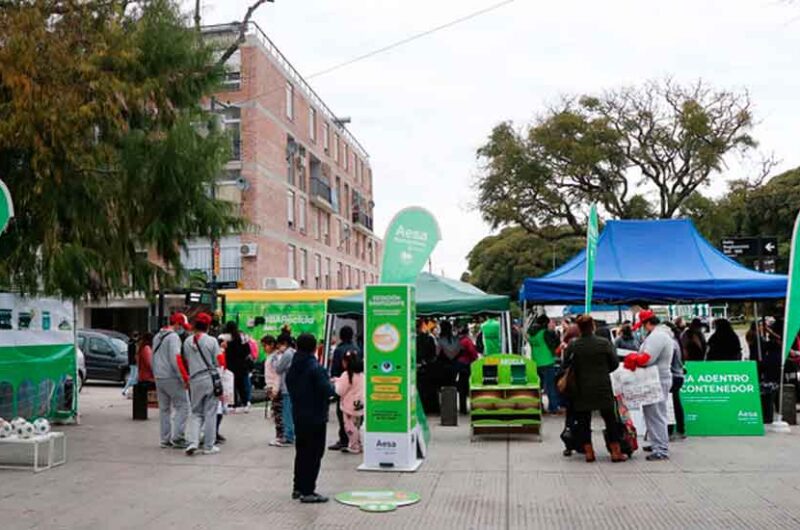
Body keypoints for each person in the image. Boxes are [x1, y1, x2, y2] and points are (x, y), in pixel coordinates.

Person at [562, 315, 627, 463]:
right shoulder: (604, 343)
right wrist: (603, 371)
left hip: (581, 387)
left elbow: (565, 364)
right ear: (593, 326)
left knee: (584, 421)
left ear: (579, 328)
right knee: (610, 420)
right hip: (602, 386)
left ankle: (589, 452)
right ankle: (615, 452)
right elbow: (615, 363)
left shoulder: (574, 345)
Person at [286, 333, 335, 503]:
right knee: (314, 454)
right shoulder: (315, 367)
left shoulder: (293, 366)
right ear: (315, 348)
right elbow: (328, 391)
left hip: (299, 414)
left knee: (301, 452)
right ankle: (308, 490)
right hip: (316, 416)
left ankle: (298, 487)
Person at [635, 310, 674, 461]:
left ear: (647, 323)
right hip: (657, 377)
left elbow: (647, 359)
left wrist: (635, 358)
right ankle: (656, 442)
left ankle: (661, 448)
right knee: (653, 413)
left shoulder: (657, 336)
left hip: (656, 378)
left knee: (655, 414)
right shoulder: (661, 334)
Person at [181, 313, 221, 456]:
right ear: (208, 326)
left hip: (194, 380)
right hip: (209, 379)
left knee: (196, 412)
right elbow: (218, 361)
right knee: (210, 413)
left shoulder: (187, 341)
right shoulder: (212, 341)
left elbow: (186, 360)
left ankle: (193, 442)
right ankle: (209, 446)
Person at [152, 313, 191, 449]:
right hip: (172, 377)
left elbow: (153, 357)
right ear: (177, 324)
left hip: (159, 377)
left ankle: (165, 439)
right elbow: (176, 359)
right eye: (182, 326)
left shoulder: (157, 336)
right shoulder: (173, 337)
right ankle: (178, 437)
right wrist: (184, 378)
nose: (183, 329)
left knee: (164, 409)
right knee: (183, 406)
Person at [328, 326, 361, 451]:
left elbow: (335, 369)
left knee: (343, 416)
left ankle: (344, 440)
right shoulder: (357, 348)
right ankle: (356, 440)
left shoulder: (339, 350)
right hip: (357, 388)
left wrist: (334, 383)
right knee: (356, 418)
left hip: (344, 387)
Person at [333, 351, 365, 454]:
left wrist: (336, 383)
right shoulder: (361, 374)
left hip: (349, 406)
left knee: (350, 427)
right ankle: (359, 444)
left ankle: (354, 446)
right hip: (360, 404)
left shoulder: (346, 375)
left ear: (346, 362)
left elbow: (339, 391)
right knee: (358, 426)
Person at [529, 315, 561, 414]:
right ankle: (553, 408)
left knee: (538, 387)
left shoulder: (531, 334)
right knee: (550, 386)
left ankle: (540, 407)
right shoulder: (545, 333)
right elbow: (555, 343)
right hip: (547, 361)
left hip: (535, 362)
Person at [262, 335, 286, 445]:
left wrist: (275, 389)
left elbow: (277, 374)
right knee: (276, 413)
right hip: (271, 387)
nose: (264, 348)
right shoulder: (271, 356)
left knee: (278, 413)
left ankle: (280, 436)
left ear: (272, 344)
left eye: (265, 345)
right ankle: (281, 435)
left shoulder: (275, 357)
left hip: (275, 388)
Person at [223, 321, 253, 412]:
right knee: (242, 385)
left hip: (230, 366)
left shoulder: (226, 338)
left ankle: (233, 405)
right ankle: (245, 403)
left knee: (232, 386)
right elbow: (248, 350)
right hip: (242, 365)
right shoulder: (242, 336)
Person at [664, 322, 686, 440]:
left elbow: (667, 361)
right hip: (677, 375)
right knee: (675, 403)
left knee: (671, 405)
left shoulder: (671, 343)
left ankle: (671, 430)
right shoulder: (676, 342)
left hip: (673, 376)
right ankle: (679, 429)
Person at [274, 333, 296, 446]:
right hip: (293, 386)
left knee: (287, 413)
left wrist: (275, 359)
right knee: (291, 412)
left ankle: (288, 436)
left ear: (284, 343)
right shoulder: (293, 352)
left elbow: (278, 369)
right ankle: (291, 434)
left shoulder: (287, 354)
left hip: (287, 387)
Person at [456, 326, 480, 414]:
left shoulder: (458, 340)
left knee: (462, 386)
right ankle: (465, 408)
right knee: (466, 386)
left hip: (459, 364)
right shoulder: (467, 341)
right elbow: (472, 352)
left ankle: (463, 407)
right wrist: (475, 358)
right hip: (466, 365)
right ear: (467, 333)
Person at [122, 331, 140, 397]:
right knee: (133, 377)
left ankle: (126, 389)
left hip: (131, 362)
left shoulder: (130, 343)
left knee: (132, 376)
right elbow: (135, 354)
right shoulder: (134, 344)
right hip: (134, 362)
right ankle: (126, 389)